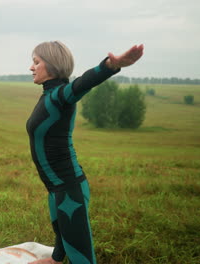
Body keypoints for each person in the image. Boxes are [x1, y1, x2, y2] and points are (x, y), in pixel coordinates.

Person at [26, 41, 144, 264]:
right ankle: (55, 260)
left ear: (52, 65)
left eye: (36, 62)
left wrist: (110, 65)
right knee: (62, 233)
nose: (32, 68)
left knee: (82, 257)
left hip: (69, 189)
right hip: (56, 188)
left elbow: (82, 83)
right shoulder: (49, 96)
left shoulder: (61, 95)